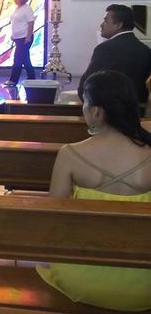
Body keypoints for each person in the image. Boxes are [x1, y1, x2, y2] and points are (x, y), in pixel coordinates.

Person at [37, 70, 151, 311]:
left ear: (97, 111)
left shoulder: (70, 154)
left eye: (85, 103)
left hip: (81, 276)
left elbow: (52, 216)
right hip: (144, 282)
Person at [78, 4, 151, 104]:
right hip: (137, 113)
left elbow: (87, 85)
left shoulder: (104, 49)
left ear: (118, 25)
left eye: (106, 21)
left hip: (109, 113)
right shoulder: (145, 49)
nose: (101, 24)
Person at [3, 0, 35, 87]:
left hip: (25, 38)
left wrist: (28, 37)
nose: (15, 0)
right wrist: (13, 35)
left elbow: (31, 23)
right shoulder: (18, 8)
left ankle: (15, 80)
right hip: (18, 38)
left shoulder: (27, 9)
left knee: (19, 59)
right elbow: (15, 22)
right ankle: (31, 79)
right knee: (24, 59)